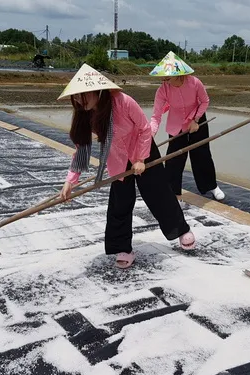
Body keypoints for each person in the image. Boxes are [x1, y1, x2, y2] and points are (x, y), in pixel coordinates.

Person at [57, 63, 196, 269]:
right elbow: (82, 148)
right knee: (120, 202)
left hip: (144, 151)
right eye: (76, 96)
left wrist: (140, 159)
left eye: (83, 95)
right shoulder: (84, 114)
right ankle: (123, 247)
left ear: (98, 92)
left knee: (159, 194)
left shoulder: (123, 102)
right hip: (118, 158)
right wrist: (70, 181)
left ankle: (181, 230)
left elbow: (144, 129)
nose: (78, 100)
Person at [148, 51, 225, 202]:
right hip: (177, 124)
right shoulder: (163, 90)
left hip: (197, 120)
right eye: (163, 77)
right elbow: (156, 116)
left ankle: (211, 186)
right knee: (174, 158)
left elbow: (205, 101)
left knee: (202, 154)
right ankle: (173, 193)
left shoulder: (195, 83)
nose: (164, 80)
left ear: (178, 74)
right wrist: (149, 135)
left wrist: (195, 120)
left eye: (167, 77)